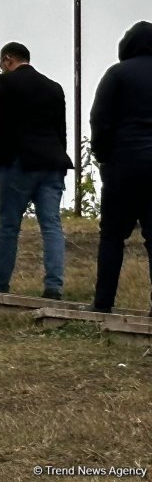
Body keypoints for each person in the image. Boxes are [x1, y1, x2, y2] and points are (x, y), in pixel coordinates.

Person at [0, 41, 72, 299]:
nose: (1, 69)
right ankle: (54, 286)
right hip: (52, 163)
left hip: (18, 163)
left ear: (8, 59)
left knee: (10, 226)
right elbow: (61, 131)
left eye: (1, 64)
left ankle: (0, 285)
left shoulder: (5, 83)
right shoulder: (54, 88)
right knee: (51, 225)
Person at [88, 22, 152, 314]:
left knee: (112, 235)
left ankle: (103, 304)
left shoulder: (117, 74)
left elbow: (99, 118)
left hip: (123, 164)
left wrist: (102, 155)